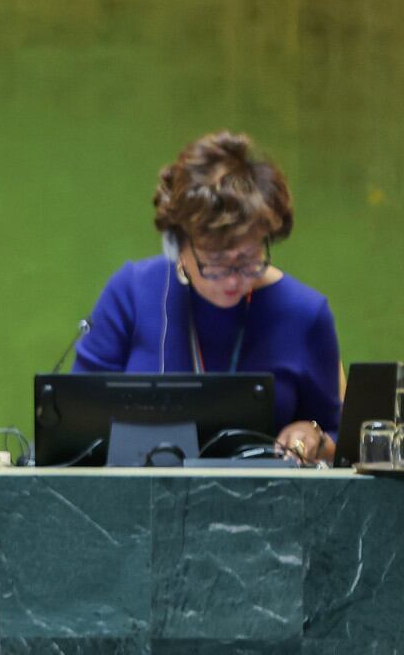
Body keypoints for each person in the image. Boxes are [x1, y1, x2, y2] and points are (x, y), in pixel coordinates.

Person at [73, 131, 343, 463]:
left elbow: (338, 438)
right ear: (175, 245)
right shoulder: (131, 292)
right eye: (215, 262)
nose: (232, 279)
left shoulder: (305, 313)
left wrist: (313, 435)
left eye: (248, 259)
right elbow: (76, 420)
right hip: (137, 492)